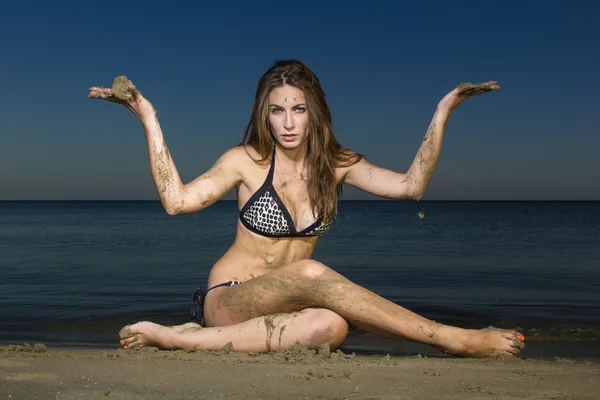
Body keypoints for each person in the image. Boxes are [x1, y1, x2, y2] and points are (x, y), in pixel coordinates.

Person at [89, 59, 525, 357]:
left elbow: (411, 186)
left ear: (314, 112)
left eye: (298, 109)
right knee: (313, 273)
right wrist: (147, 116)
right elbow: (176, 201)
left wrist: (442, 110)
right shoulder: (245, 161)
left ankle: (187, 340)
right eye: (277, 111)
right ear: (266, 114)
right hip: (230, 297)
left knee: (331, 328)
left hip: (288, 308)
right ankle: (454, 339)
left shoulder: (338, 166)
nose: (289, 123)